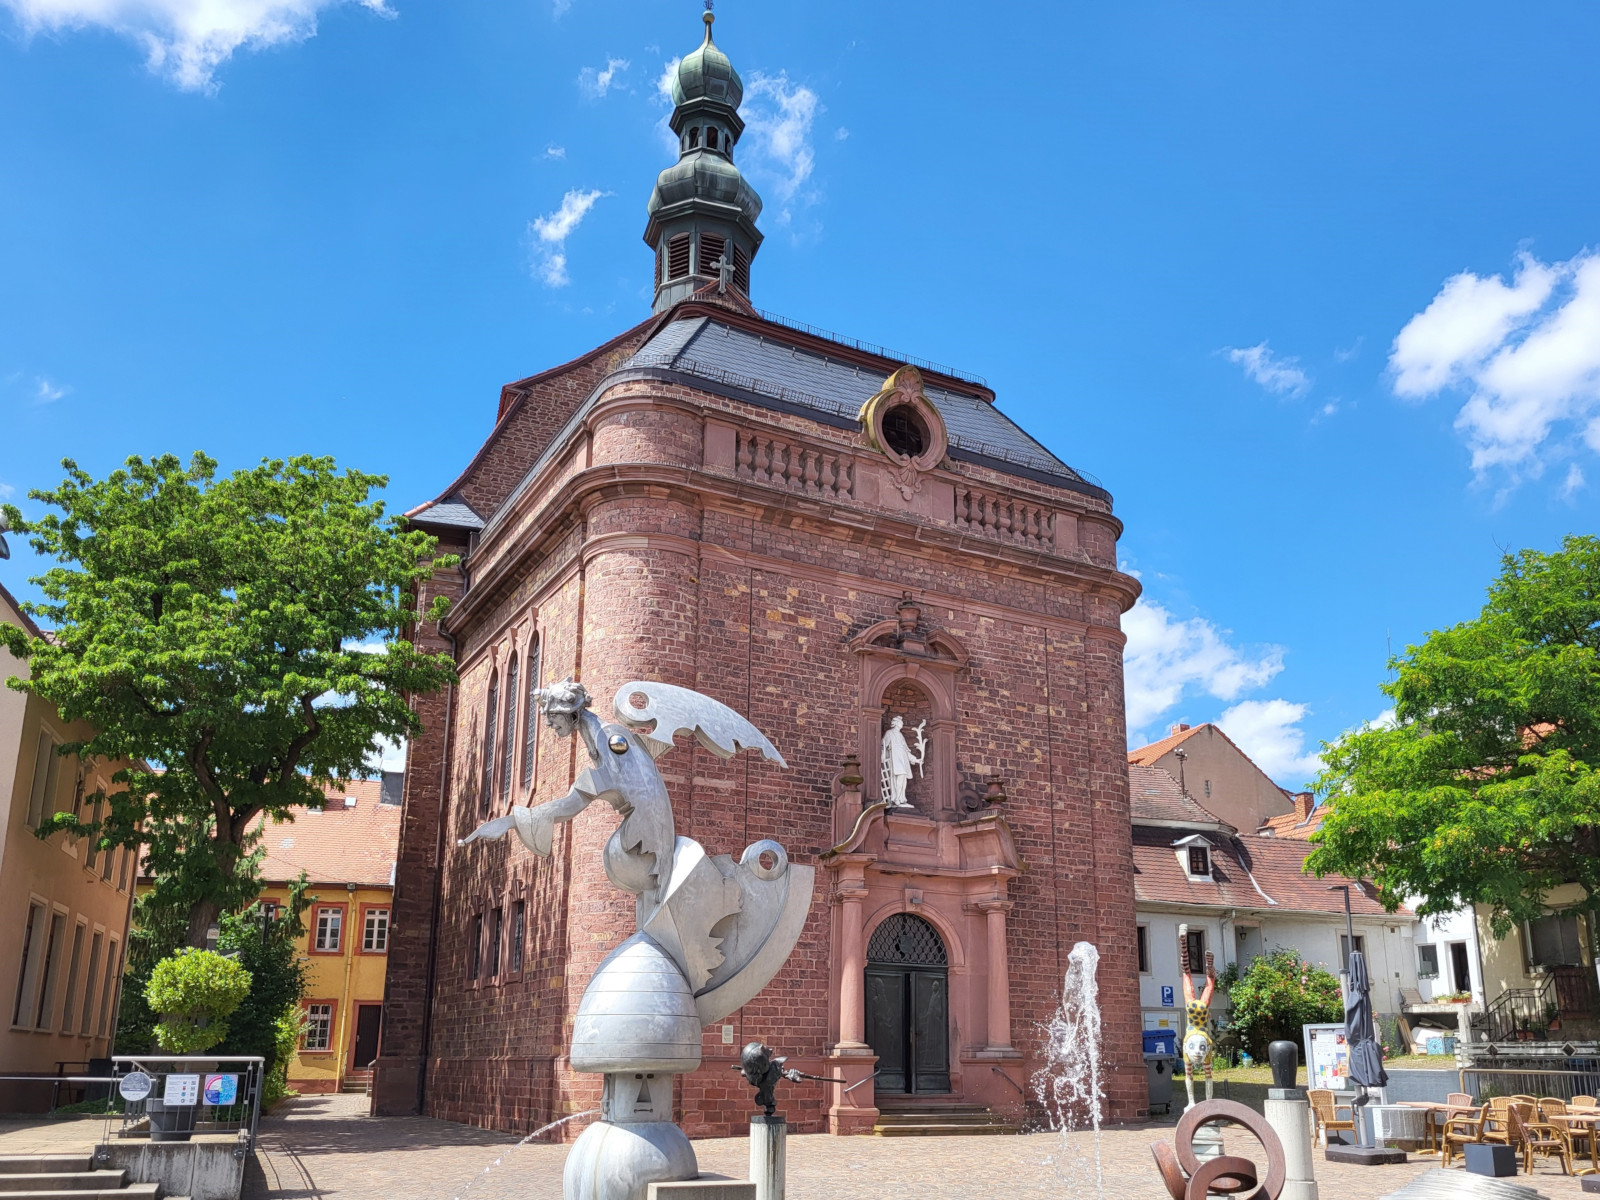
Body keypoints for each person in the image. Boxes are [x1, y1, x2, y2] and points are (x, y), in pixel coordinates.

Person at [1178, 928, 1217, 1110]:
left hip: (1195, 1021)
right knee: (1188, 976)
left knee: (1189, 976)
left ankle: (1184, 945)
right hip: (1198, 1023)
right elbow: (1208, 1078)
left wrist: (1191, 1103)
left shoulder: (1189, 1053)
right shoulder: (1205, 1054)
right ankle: (1184, 945)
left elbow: (1189, 1077)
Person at [880, 715, 925, 808]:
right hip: (895, 759)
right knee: (899, 776)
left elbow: (906, 751)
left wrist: (916, 760)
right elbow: (883, 745)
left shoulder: (901, 735)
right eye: (900, 722)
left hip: (902, 759)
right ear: (896, 723)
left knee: (903, 778)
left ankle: (901, 799)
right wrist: (883, 754)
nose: (902, 723)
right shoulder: (889, 733)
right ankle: (895, 798)